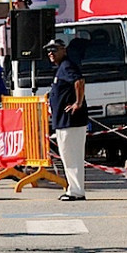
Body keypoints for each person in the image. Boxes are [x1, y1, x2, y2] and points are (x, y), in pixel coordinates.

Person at [45, 38, 88, 201]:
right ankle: (74, 188)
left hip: (70, 121)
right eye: (48, 50)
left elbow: (79, 81)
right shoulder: (62, 68)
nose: (50, 53)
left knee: (71, 156)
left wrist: (78, 102)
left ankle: (76, 191)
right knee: (68, 156)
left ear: (63, 50)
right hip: (64, 121)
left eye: (54, 49)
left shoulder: (67, 66)